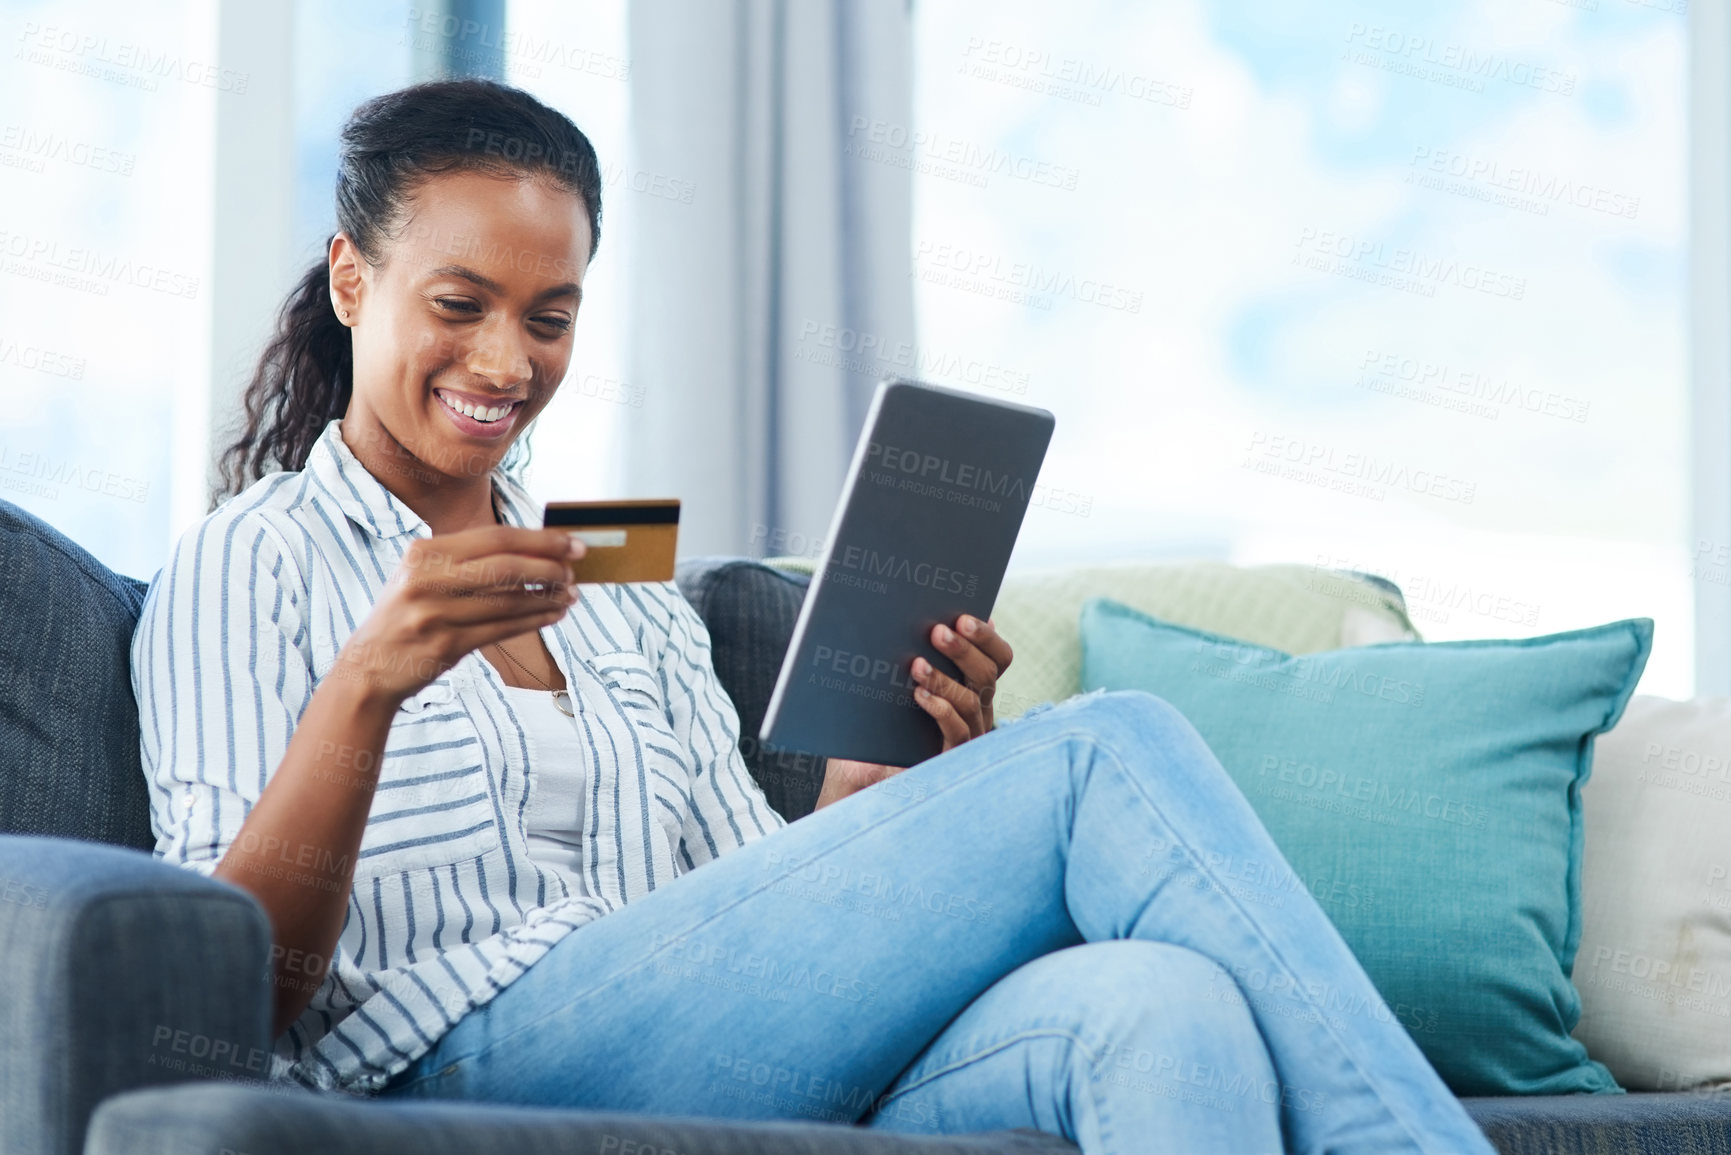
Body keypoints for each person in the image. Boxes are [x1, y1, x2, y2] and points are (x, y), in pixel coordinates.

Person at [132, 78, 1491, 1155]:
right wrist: (365, 688)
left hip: (685, 1052)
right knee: (1106, 748)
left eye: (550, 316)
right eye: (459, 304)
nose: (507, 359)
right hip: (450, 1067)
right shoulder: (248, 566)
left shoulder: (623, 594)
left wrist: (874, 798)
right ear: (352, 281)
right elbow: (229, 999)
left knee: (1159, 1007)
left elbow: (735, 911)